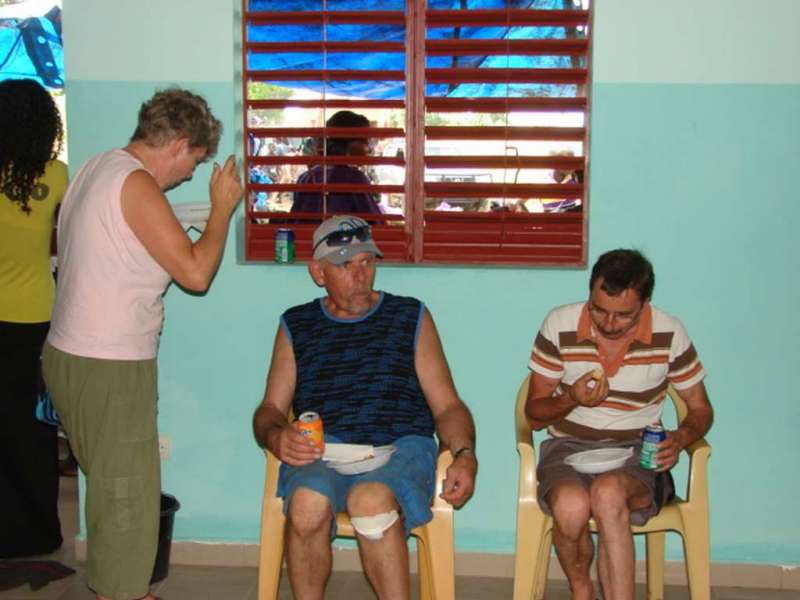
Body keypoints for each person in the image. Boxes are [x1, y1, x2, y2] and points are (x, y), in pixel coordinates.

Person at [41, 88, 243, 600]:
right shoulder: (136, 185)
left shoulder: (95, 168)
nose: (191, 173)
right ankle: (124, 591)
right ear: (178, 144)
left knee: (111, 489)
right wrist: (221, 211)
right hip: (108, 364)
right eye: (194, 161)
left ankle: (120, 588)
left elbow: (122, 246)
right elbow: (196, 273)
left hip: (68, 354)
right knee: (127, 496)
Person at [253, 215, 478, 599]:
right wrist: (277, 436)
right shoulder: (297, 324)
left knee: (369, 502)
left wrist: (464, 454)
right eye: (344, 265)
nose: (360, 275)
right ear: (317, 272)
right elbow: (269, 410)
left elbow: (448, 405)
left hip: (402, 445)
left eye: (367, 262)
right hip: (327, 448)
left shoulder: (410, 316)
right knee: (306, 505)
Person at [525, 249, 713, 600]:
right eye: (599, 310)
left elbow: (701, 409)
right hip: (567, 446)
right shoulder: (559, 324)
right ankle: (582, 591)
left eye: (623, 316)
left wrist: (681, 437)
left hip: (638, 450)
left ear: (644, 305)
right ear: (590, 294)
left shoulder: (669, 332)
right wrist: (570, 399)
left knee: (608, 494)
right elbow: (533, 416)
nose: (609, 324)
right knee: (570, 506)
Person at [0, 78, 67, 558]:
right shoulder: (59, 177)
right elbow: (63, 243)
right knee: (35, 429)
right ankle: (41, 533)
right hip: (36, 319)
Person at [290, 111, 382, 216]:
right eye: (366, 141)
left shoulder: (306, 177)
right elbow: (376, 225)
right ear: (353, 144)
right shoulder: (354, 180)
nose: (369, 149)